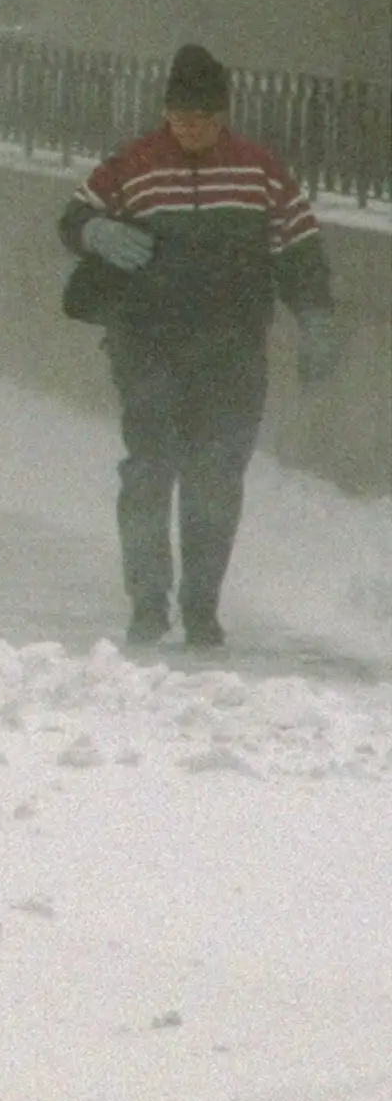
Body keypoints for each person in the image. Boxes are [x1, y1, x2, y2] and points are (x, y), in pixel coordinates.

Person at [58, 42, 339, 650]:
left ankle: (202, 608)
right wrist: (97, 230)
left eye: (205, 120)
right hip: (147, 344)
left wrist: (315, 317)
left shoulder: (259, 170)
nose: (192, 130)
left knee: (216, 477)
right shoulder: (132, 165)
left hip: (232, 351)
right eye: (182, 118)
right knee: (150, 469)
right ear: (165, 112)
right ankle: (148, 604)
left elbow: (299, 249)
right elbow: (73, 217)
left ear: (224, 116)